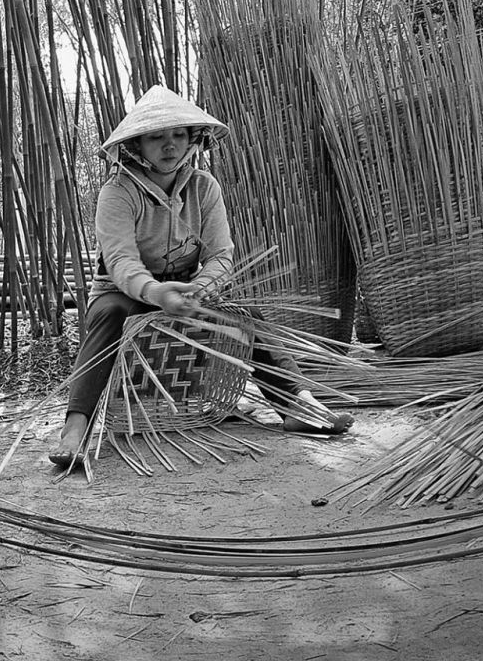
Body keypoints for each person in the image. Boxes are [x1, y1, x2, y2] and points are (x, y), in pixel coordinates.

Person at [49, 85, 353, 471]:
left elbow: (220, 255)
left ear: (193, 138)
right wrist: (155, 292)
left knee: (246, 315)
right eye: (156, 137)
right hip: (124, 291)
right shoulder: (118, 192)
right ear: (136, 146)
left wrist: (203, 289)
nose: (170, 145)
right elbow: (121, 262)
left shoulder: (204, 187)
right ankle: (75, 429)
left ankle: (296, 403)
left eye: (179, 134)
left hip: (188, 287)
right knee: (108, 316)